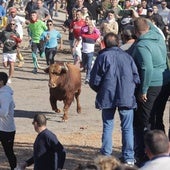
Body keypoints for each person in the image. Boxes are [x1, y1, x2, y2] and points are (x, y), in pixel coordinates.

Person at [89, 32, 140, 165]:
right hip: (126, 96)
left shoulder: (102, 57)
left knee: (108, 125)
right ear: (118, 43)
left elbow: (94, 80)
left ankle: (106, 155)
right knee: (127, 127)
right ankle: (129, 157)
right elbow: (136, 78)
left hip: (108, 96)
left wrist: (101, 91)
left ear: (104, 44)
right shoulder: (127, 57)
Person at [131, 17, 170, 166]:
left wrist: (144, 90)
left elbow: (146, 68)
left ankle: (149, 154)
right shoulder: (158, 36)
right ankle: (163, 148)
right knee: (158, 117)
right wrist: (140, 18)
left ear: (135, 32)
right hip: (165, 81)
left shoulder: (142, 45)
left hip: (152, 84)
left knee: (146, 120)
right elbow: (150, 25)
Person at [0, 72, 18, 170]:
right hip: (2, 128)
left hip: (6, 130)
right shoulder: (4, 93)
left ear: (1, 82)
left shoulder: (5, 94)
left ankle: (14, 168)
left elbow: (4, 112)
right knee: (9, 152)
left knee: (9, 152)